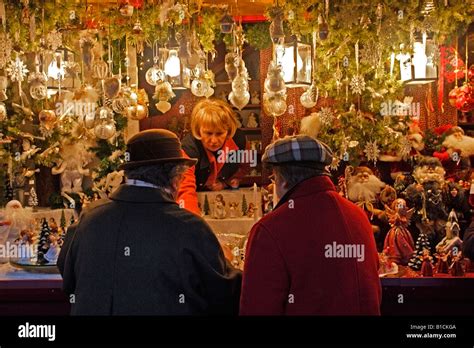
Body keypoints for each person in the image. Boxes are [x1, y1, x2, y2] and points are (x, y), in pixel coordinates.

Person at [58, 129, 241, 315]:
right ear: (176, 178)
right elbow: (225, 294)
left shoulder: (88, 218)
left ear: (128, 173)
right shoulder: (189, 227)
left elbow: (67, 276)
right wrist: (226, 261)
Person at [240, 135, 381, 315]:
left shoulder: (269, 229)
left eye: (273, 178)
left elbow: (258, 307)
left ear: (282, 180)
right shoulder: (358, 216)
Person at [178, 98, 248, 215]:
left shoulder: (240, 140)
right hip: (197, 197)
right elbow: (185, 189)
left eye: (220, 133)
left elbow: (244, 167)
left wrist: (226, 183)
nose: (214, 140)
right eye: (208, 133)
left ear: (228, 131)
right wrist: (191, 223)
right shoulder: (188, 148)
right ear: (198, 131)